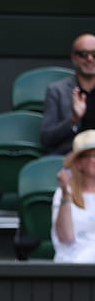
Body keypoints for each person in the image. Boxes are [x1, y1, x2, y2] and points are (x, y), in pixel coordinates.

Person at [41, 33, 95, 156]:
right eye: (83, 54)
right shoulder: (57, 90)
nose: (90, 59)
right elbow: (46, 138)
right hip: (70, 158)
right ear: (74, 57)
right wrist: (73, 120)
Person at [51, 130, 95, 263]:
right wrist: (65, 194)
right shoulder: (63, 193)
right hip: (72, 267)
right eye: (92, 155)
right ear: (78, 163)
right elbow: (66, 237)